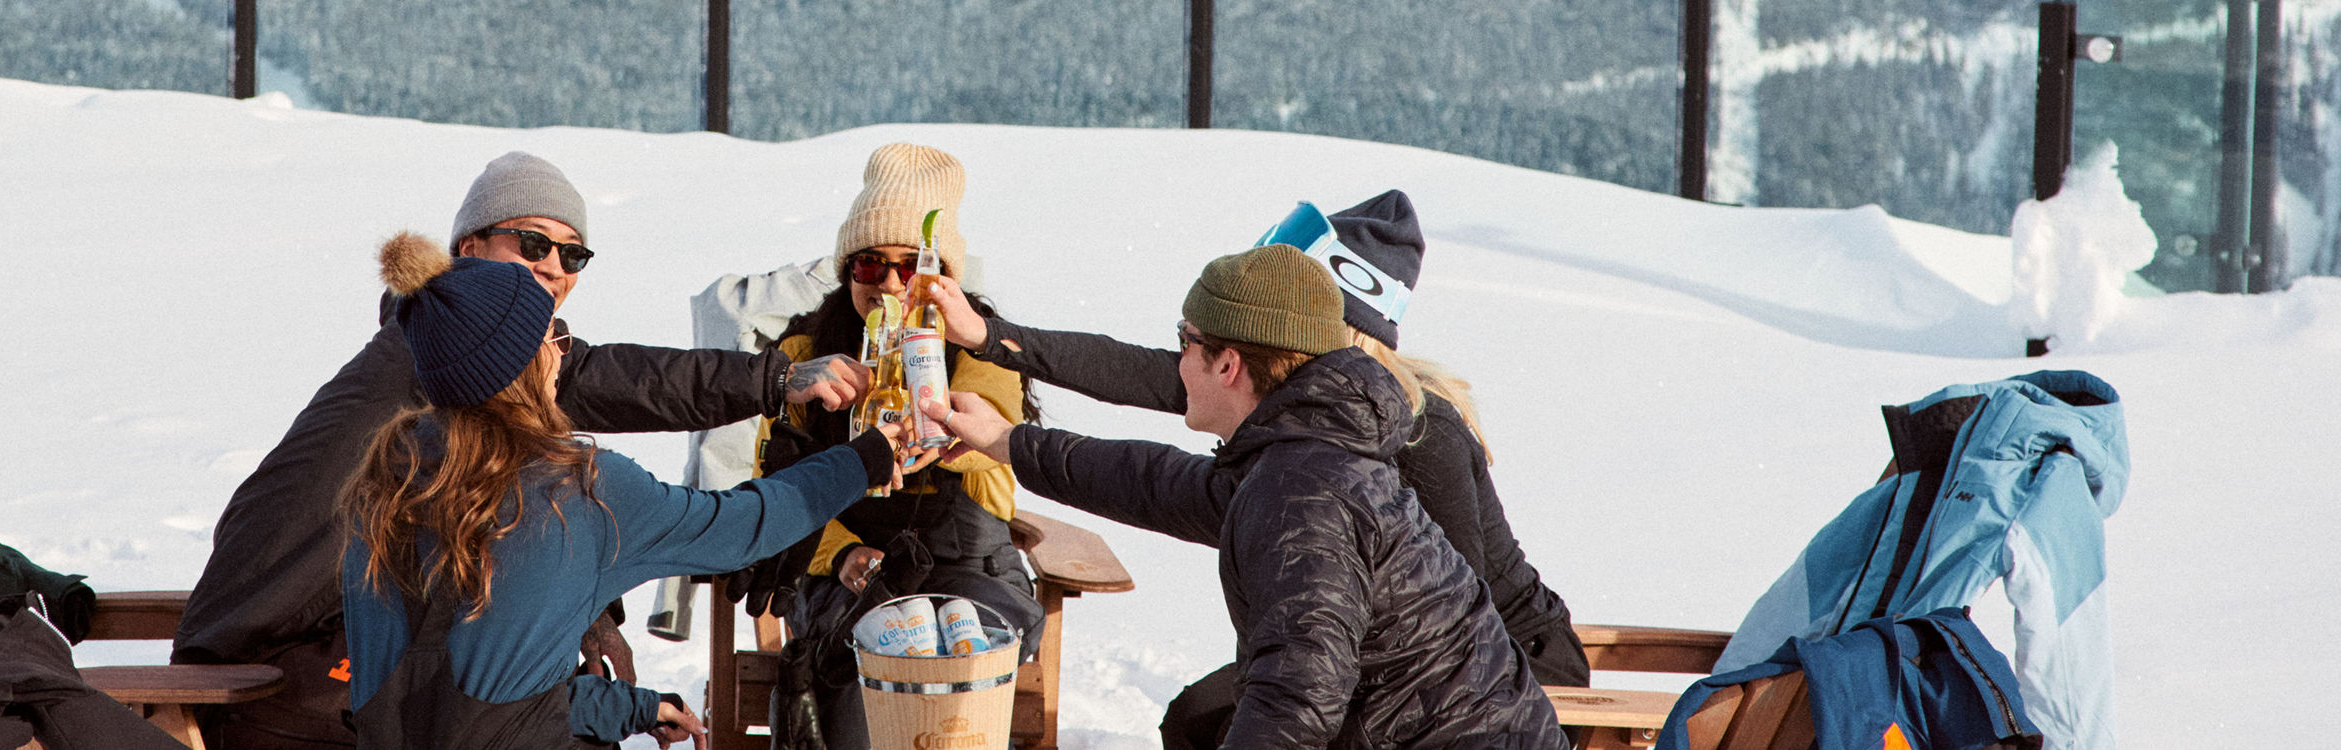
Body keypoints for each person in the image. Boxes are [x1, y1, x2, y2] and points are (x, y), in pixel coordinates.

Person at [173, 151, 871, 748]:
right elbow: (621, 393)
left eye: (572, 254)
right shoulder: (444, 367)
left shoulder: (457, 363)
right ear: (467, 251)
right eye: (531, 244)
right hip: (270, 671)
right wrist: (785, 386)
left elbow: (512, 528)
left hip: (326, 660)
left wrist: (590, 613)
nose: (554, 267)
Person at [911, 192, 1585, 745]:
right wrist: (1008, 436)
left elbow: (1303, 693)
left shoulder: (1326, 478)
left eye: (1186, 343)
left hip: (1467, 701)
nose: (1174, 364)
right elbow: (1158, 481)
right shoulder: (1307, 434)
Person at [339, 238, 916, 749]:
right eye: (551, 336)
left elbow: (460, 705)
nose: (563, 351)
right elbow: (744, 526)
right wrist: (864, 459)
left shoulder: (387, 486)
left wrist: (632, 709)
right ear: (520, 362)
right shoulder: (580, 491)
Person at [745, 142, 1042, 750]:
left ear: (944, 279)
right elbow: (774, 488)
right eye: (869, 264)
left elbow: (999, 461)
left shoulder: (984, 353)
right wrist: (843, 552)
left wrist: (950, 434)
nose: (889, 283)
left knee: (957, 652)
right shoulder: (805, 357)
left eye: (911, 267)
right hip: (844, 574)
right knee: (875, 656)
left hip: (967, 568)